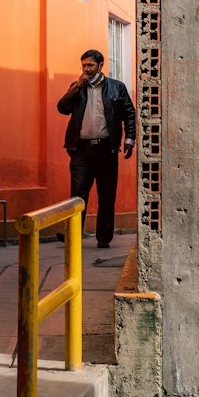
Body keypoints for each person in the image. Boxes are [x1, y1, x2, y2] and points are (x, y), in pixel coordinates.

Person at [56, 48, 136, 248]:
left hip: (106, 150)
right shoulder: (77, 87)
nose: (86, 69)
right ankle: (73, 237)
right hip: (81, 150)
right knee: (77, 195)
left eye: (90, 65)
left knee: (107, 195)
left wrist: (130, 139)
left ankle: (103, 238)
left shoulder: (117, 88)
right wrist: (77, 87)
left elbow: (129, 113)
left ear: (101, 66)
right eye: (84, 65)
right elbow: (62, 108)